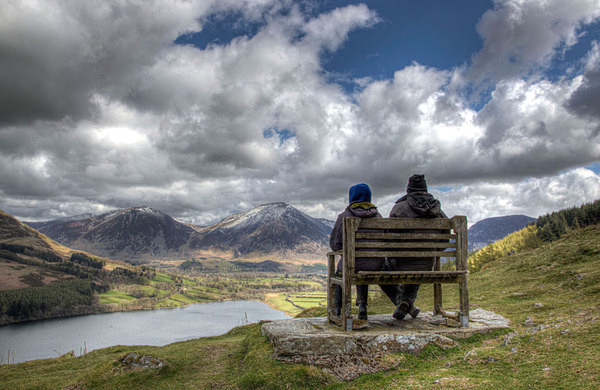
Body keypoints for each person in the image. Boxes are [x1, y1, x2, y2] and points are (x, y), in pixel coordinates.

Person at [387, 174, 448, 320]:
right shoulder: (437, 210)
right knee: (419, 264)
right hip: (427, 263)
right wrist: (432, 251)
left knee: (384, 266)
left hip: (401, 263)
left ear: (408, 190)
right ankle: (407, 303)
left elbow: (388, 239)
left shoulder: (399, 208)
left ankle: (403, 302)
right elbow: (445, 236)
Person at [330, 183, 384, 320]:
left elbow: (335, 245)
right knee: (362, 264)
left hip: (352, 264)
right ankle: (362, 306)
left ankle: (338, 310)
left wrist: (345, 253)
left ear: (351, 197)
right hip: (376, 265)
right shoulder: (378, 217)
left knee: (342, 270)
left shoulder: (344, 216)